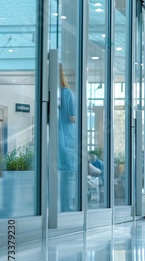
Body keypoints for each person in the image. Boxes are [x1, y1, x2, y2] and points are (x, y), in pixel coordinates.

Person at [59, 64, 77, 212]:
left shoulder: (49, 93)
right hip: (67, 139)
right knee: (68, 176)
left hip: (54, 140)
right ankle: (67, 209)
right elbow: (72, 118)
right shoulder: (67, 93)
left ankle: (57, 209)